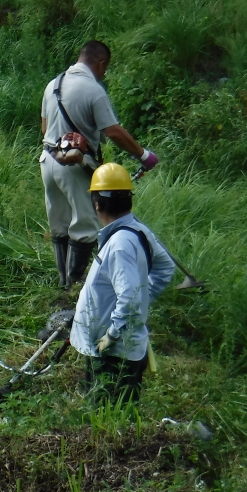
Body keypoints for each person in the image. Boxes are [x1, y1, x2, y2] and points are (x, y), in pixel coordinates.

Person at [40, 40, 159, 287]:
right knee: (85, 225)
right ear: (100, 64)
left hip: (48, 161)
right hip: (74, 166)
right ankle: (75, 288)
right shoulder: (93, 90)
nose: (104, 74)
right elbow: (113, 131)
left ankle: (63, 283)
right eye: (105, 69)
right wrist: (143, 155)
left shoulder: (53, 85)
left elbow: (44, 128)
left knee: (60, 225)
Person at [70, 163, 175, 404]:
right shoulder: (137, 230)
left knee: (106, 418)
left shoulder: (119, 245)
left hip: (113, 352)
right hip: (115, 344)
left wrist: (113, 333)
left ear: (97, 203)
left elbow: (129, 296)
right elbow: (165, 267)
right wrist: (142, 299)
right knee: (115, 416)